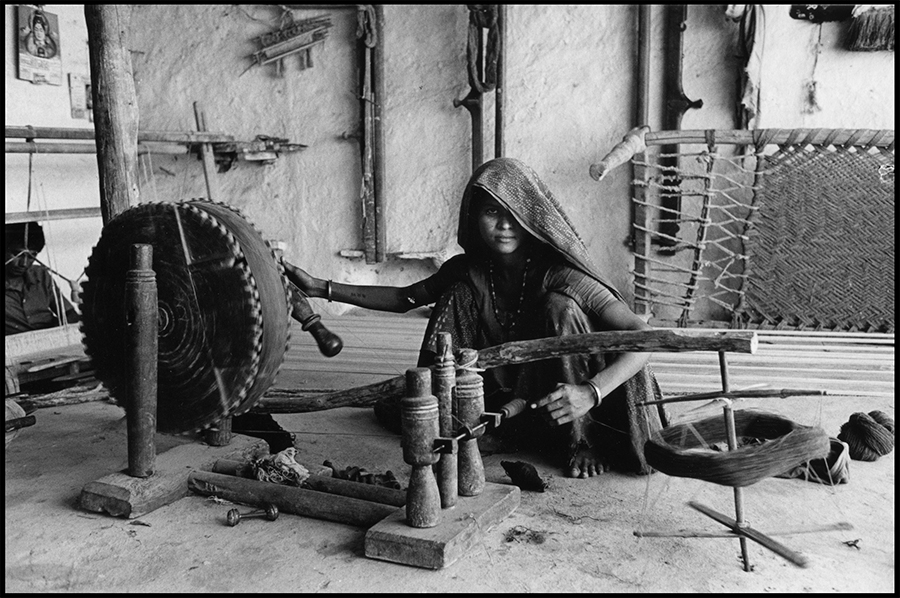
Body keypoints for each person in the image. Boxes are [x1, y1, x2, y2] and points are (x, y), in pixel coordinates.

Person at [283, 158, 668, 478]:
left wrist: (591, 392)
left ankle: (580, 440)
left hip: (571, 394)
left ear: (533, 219)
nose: (503, 225)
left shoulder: (559, 273)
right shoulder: (470, 269)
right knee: (457, 296)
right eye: (491, 212)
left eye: (514, 214)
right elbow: (405, 297)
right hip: (517, 396)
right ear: (473, 217)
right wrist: (319, 287)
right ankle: (471, 416)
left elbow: (642, 336)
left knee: (559, 307)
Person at [5, 221, 80, 336]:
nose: (24, 263)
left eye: (32, 256)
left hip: (53, 341)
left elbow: (69, 314)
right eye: (17, 254)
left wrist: (54, 334)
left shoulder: (41, 275)